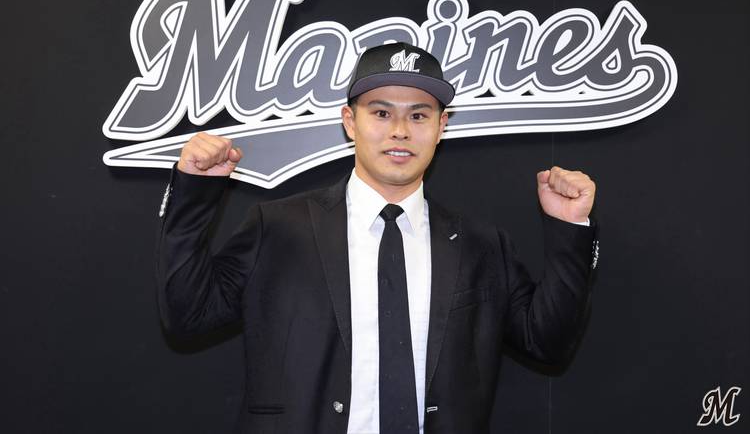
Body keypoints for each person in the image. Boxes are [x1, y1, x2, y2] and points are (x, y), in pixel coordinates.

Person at [156, 42, 599, 434]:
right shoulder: (277, 226)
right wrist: (193, 194)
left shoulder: (481, 244)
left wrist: (570, 227)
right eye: (381, 113)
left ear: (442, 125)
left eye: (419, 115)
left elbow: (548, 343)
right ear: (350, 121)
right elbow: (187, 314)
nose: (400, 130)